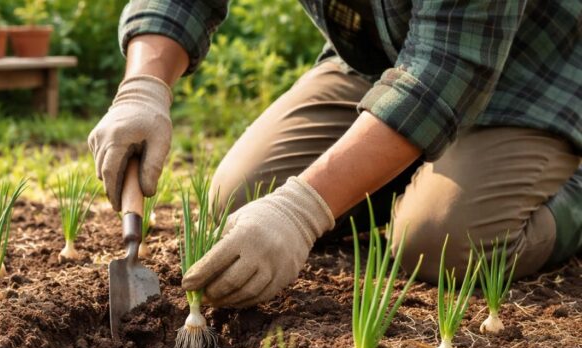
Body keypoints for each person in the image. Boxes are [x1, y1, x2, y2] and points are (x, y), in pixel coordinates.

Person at [88, 0, 581, 308]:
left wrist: (303, 209)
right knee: (237, 201)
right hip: (383, 62)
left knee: (438, 244)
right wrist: (143, 88)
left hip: (533, 75)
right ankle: (402, 164)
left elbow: (446, 68)